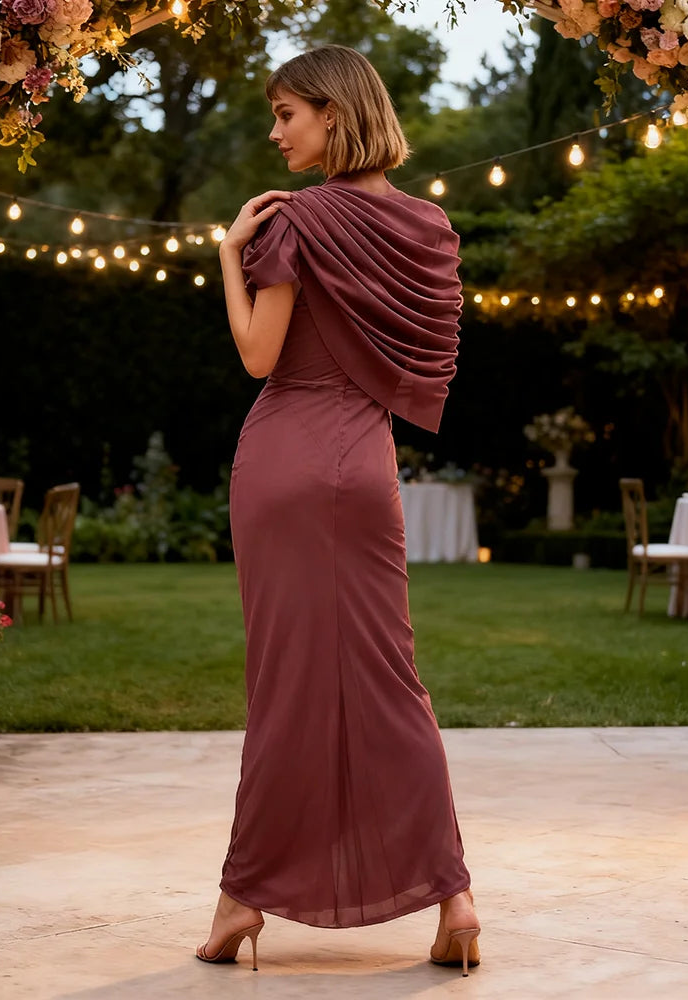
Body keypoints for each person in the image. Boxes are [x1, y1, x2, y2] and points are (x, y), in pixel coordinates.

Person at [197, 44, 480, 977]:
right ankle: (455, 900)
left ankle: (243, 900)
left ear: (334, 111)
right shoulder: (427, 226)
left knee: (282, 684)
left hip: (280, 459)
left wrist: (229, 254)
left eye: (288, 114)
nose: (276, 132)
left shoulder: (293, 222)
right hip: (364, 466)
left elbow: (257, 354)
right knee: (393, 679)